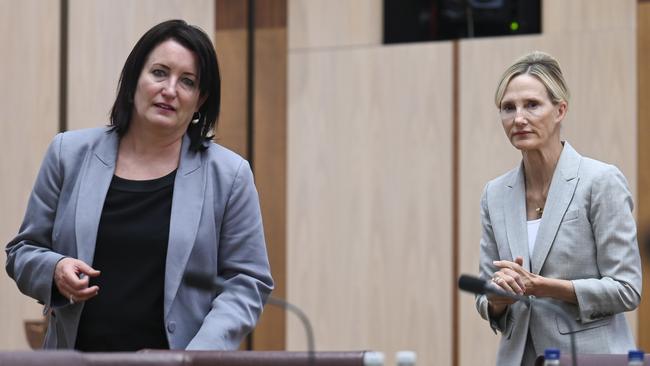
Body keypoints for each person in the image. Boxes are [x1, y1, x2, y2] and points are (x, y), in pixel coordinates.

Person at [5, 19, 273, 351]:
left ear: (200, 100)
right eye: (159, 73)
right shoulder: (68, 154)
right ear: (134, 79)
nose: (170, 89)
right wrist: (55, 270)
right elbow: (22, 253)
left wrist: (195, 358)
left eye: (187, 81)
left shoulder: (229, 175)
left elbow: (247, 282)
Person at [475, 51, 642, 366]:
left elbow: (626, 289)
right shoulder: (494, 194)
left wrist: (543, 287)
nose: (518, 118)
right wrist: (496, 299)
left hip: (590, 359)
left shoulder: (600, 181)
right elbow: (486, 294)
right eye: (508, 108)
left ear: (560, 110)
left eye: (532, 105)